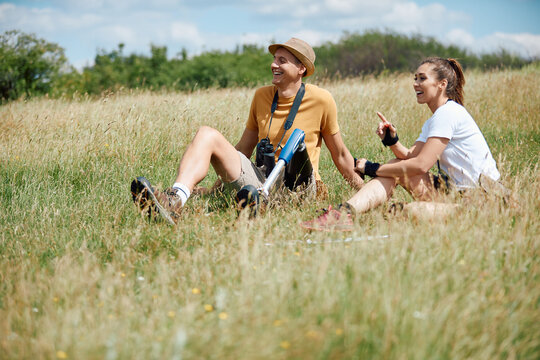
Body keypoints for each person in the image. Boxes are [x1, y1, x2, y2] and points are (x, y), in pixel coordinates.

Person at [131, 37, 364, 225]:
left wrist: (365, 194)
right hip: (263, 181)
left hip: (299, 188)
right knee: (207, 134)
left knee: (298, 145)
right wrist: (216, 190)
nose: (274, 65)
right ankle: (174, 201)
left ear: (301, 68)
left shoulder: (322, 99)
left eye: (282, 61)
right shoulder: (261, 96)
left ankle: (255, 205)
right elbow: (243, 149)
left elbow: (341, 155)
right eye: (274, 59)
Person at [301, 57, 501, 231]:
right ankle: (344, 212)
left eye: (422, 78)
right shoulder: (435, 119)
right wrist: (391, 140)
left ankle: (377, 213)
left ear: (442, 84)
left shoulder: (448, 113)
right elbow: (410, 156)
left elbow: (421, 165)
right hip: (452, 192)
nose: (415, 83)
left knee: (408, 210)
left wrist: (372, 168)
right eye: (415, 78)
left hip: (480, 200)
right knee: (395, 164)